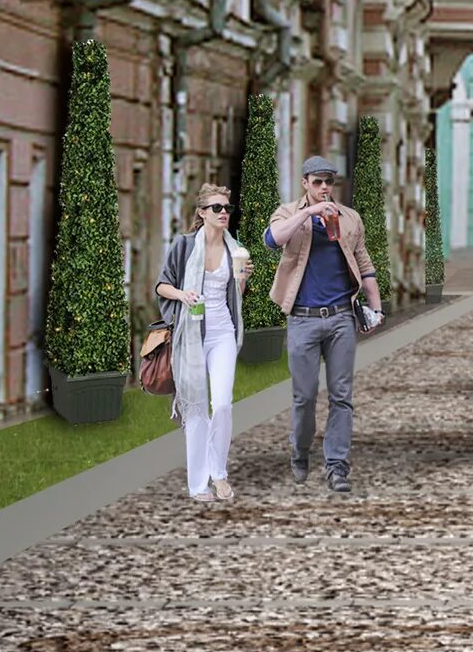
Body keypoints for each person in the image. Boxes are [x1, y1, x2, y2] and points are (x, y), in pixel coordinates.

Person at [268, 154, 379, 494]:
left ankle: (337, 467)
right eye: (317, 182)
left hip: (340, 319)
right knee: (303, 397)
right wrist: (309, 212)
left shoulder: (349, 218)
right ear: (305, 183)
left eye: (328, 182)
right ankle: (299, 453)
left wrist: (375, 306)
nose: (324, 188)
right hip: (302, 319)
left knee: (342, 396)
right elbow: (272, 239)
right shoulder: (289, 212)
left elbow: (364, 264)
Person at [157, 181, 253, 503]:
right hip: (192, 335)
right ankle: (198, 483)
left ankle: (219, 472)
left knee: (222, 404)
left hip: (223, 332)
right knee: (197, 411)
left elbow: (235, 298)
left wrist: (241, 280)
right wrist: (183, 294)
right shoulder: (184, 246)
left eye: (227, 208)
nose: (224, 213)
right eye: (217, 208)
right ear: (202, 213)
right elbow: (161, 285)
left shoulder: (235, 248)